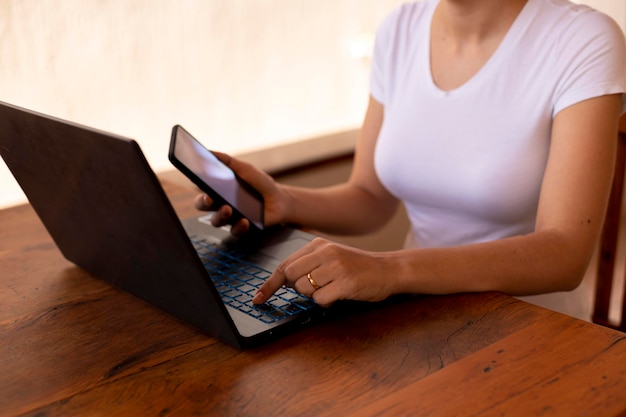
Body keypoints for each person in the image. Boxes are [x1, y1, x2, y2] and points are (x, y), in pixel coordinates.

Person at [196, 0, 626, 318]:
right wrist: (284, 201)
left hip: (532, 326)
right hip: (414, 316)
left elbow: (564, 254)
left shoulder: (583, 39)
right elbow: (370, 197)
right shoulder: (399, 29)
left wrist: (389, 269)